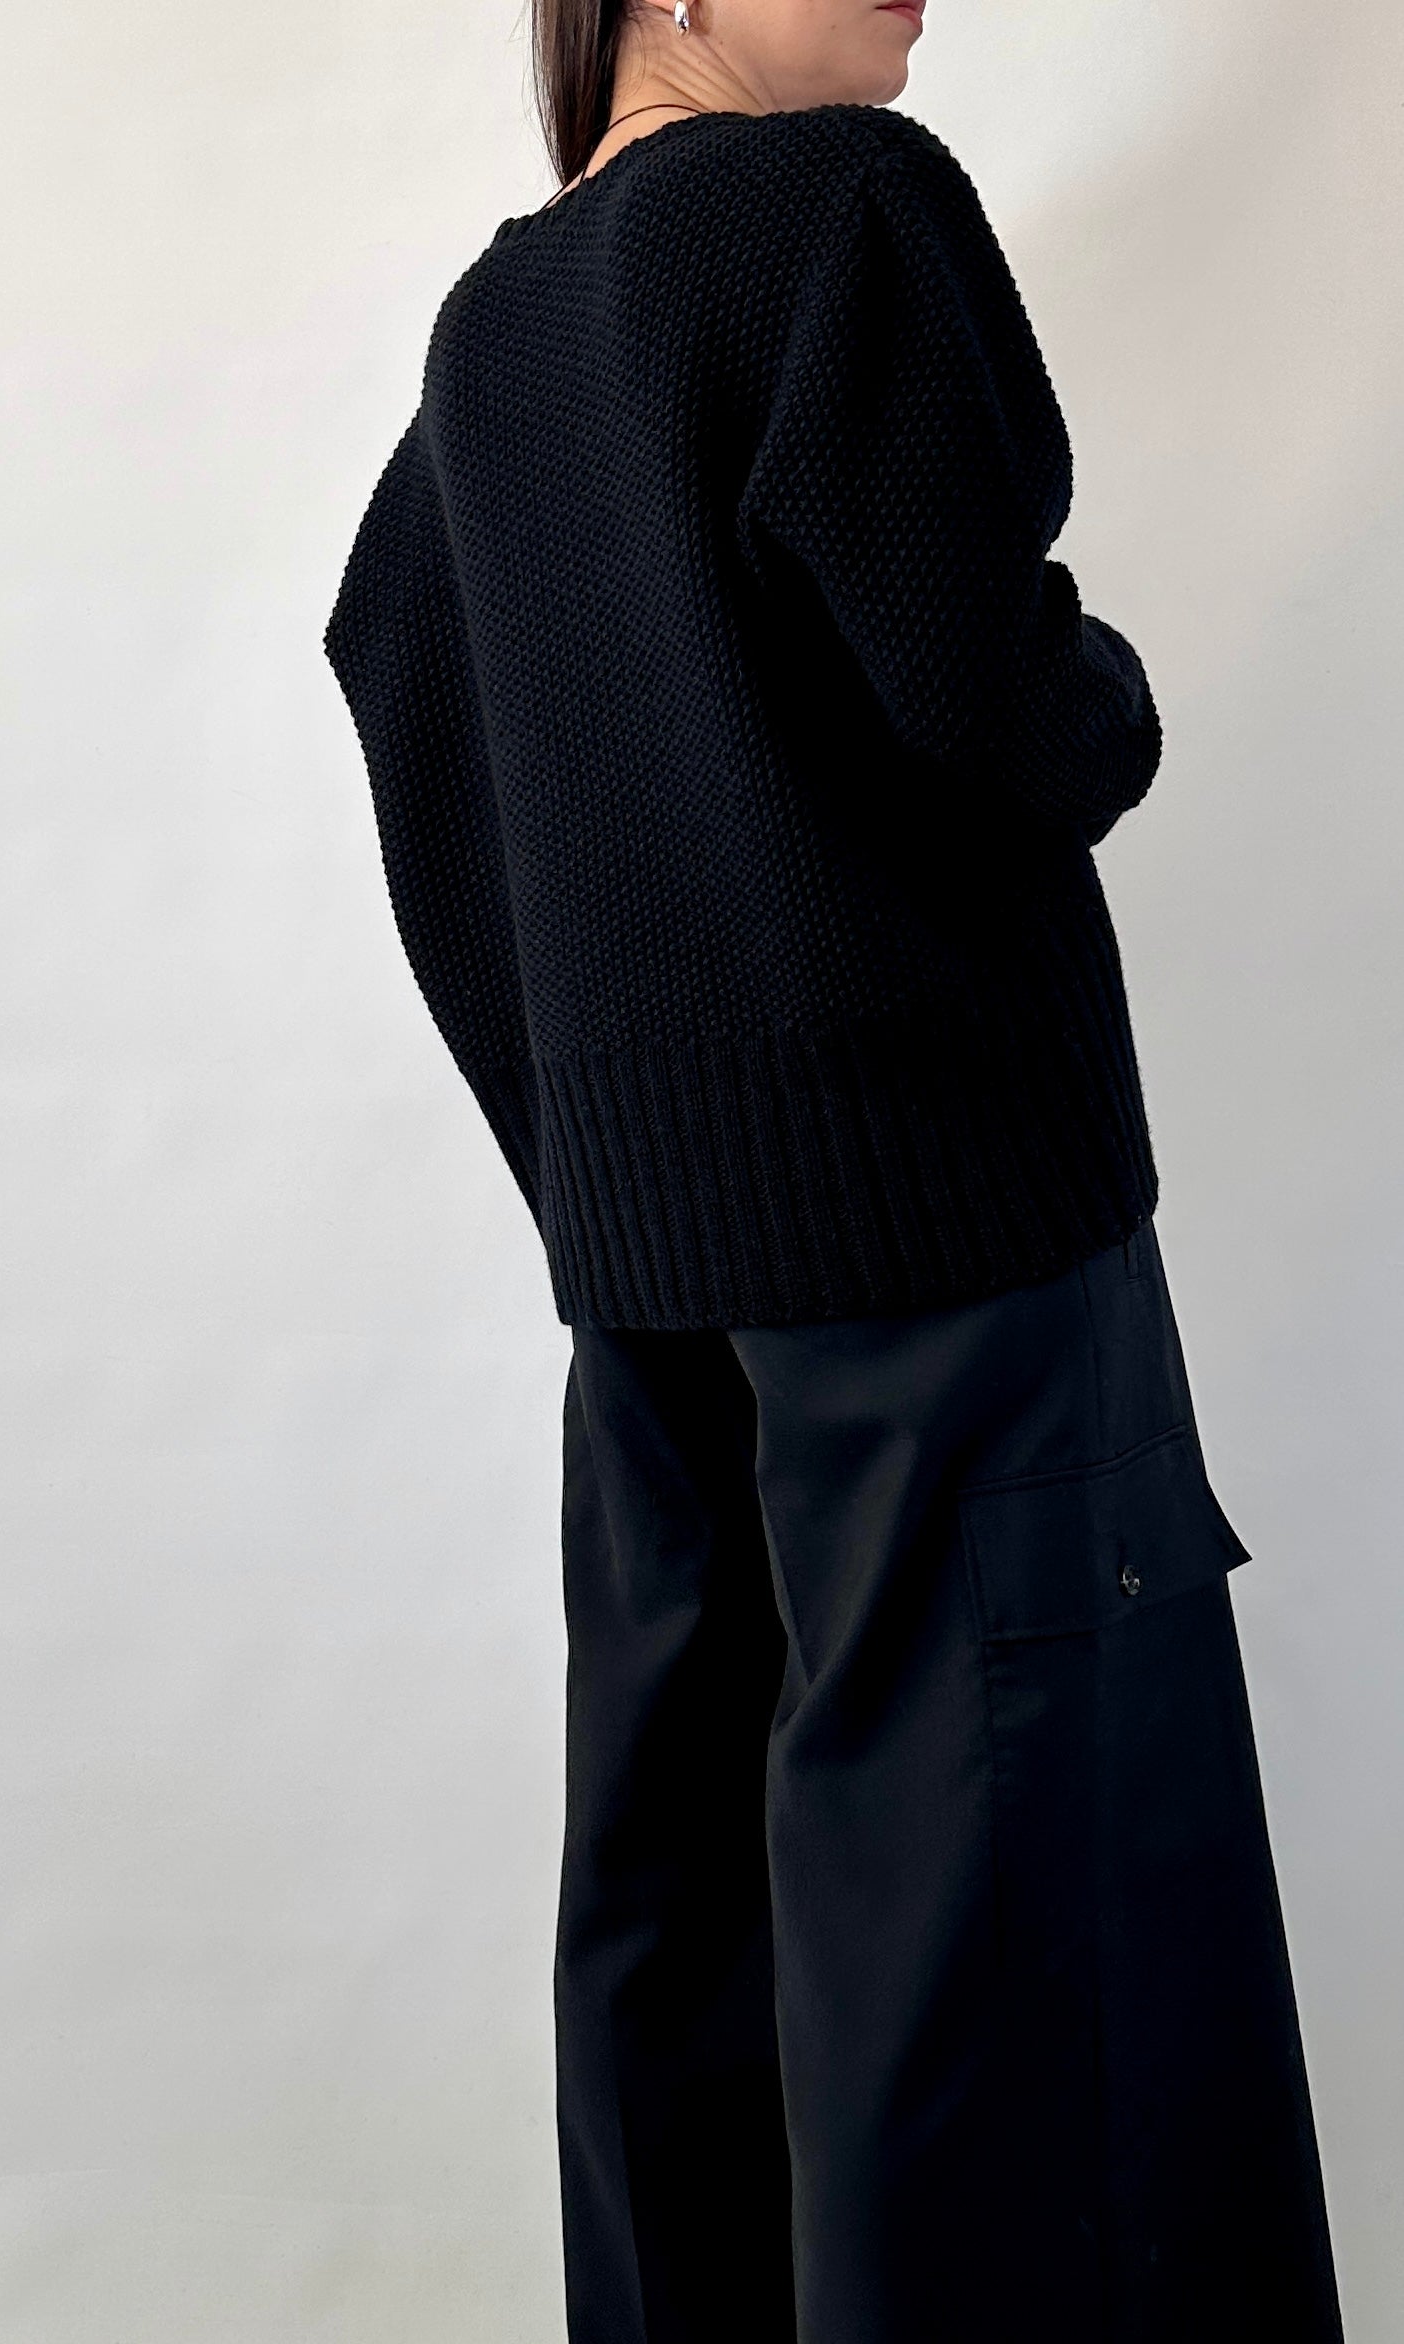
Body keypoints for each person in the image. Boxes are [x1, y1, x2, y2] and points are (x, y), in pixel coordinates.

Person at [322, 1, 1345, 2336]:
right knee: (1008, 1970)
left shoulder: (494, 328)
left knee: (690, 1945)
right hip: (948, 1242)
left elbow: (405, 684)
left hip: (657, 1296)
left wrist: (607, 1143)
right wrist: (1109, 700)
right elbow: (986, 690)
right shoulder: (833, 210)